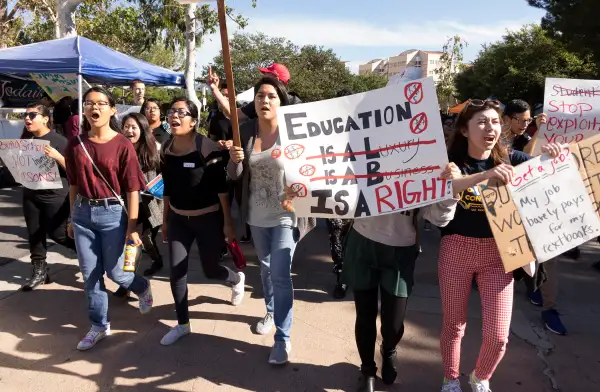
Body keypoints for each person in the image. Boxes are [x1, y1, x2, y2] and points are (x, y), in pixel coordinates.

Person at [439, 99, 562, 392]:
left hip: (499, 255)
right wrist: (484, 176)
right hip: (455, 251)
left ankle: (480, 377)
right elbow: (448, 188)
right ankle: (450, 378)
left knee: (497, 335)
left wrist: (552, 156)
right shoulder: (451, 161)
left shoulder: (512, 159)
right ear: (466, 130)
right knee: (454, 325)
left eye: (494, 122)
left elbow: (544, 173)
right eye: (481, 122)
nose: (490, 128)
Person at [344, 168, 461, 392]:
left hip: (401, 250)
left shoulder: (428, 159)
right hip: (363, 241)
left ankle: (389, 350)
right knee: (365, 314)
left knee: (394, 322)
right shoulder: (366, 144)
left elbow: (439, 218)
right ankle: (367, 369)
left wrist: (451, 191)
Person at [228, 77, 315, 365]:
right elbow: (234, 175)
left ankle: (283, 338)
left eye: (271, 96)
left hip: (286, 216)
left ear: (281, 101)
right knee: (265, 270)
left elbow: (313, 169)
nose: (264, 101)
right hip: (256, 216)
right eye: (260, 96)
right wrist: (235, 159)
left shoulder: (296, 132)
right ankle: (270, 310)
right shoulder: (245, 132)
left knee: (280, 273)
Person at [64, 86, 153, 351]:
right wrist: (71, 218)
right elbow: (73, 185)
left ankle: (142, 286)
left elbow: (133, 188)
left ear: (112, 109)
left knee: (118, 273)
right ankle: (99, 325)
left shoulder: (123, 145)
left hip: (113, 213)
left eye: (102, 103)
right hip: (82, 213)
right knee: (90, 274)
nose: (95, 108)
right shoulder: (76, 144)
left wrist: (132, 226)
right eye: (90, 103)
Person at [159, 97, 245, 346]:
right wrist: (165, 220)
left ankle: (236, 279)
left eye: (181, 112)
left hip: (208, 219)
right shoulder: (166, 148)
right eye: (172, 111)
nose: (174, 116)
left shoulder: (207, 148)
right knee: (176, 272)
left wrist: (228, 223)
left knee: (210, 270)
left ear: (194, 121)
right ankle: (183, 324)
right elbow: (167, 188)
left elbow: (221, 190)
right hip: (178, 220)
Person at [502, 99, 567, 335]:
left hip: (532, 204)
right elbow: (519, 161)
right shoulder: (495, 137)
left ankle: (550, 307)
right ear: (507, 118)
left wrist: (539, 133)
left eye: (528, 120)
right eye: (522, 120)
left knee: (550, 253)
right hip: (504, 210)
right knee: (512, 254)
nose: (525, 124)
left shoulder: (528, 137)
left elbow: (530, 165)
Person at [20, 103, 77, 291]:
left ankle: (89, 254)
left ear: (45, 118)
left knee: (58, 234)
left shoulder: (61, 141)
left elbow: (75, 172)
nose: (27, 118)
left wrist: (58, 157)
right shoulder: (25, 138)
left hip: (56, 195)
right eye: (26, 115)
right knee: (34, 233)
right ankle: (40, 271)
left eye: (32, 115)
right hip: (31, 193)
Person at [118, 113, 164, 281]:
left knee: (147, 237)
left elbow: (164, 175)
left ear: (142, 130)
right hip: (128, 203)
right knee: (131, 238)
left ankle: (156, 260)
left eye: (133, 127)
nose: (129, 131)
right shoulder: (119, 148)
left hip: (150, 203)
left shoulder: (155, 149)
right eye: (126, 127)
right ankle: (128, 278)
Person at [207, 63, 302, 123]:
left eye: (267, 75)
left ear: (276, 79)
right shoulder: (258, 102)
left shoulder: (295, 104)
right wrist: (215, 89)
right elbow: (234, 114)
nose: (263, 77)